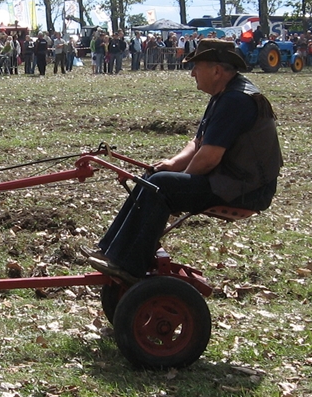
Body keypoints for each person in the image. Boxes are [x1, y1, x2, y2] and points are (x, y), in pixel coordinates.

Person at [87, 39, 282, 284]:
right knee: (153, 178)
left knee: (162, 185)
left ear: (216, 71)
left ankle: (129, 264)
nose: (192, 73)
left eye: (196, 67)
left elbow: (209, 157)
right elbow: (198, 142)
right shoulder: (224, 94)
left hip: (246, 189)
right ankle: (110, 251)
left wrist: (180, 183)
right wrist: (173, 164)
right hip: (229, 181)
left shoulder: (236, 100)